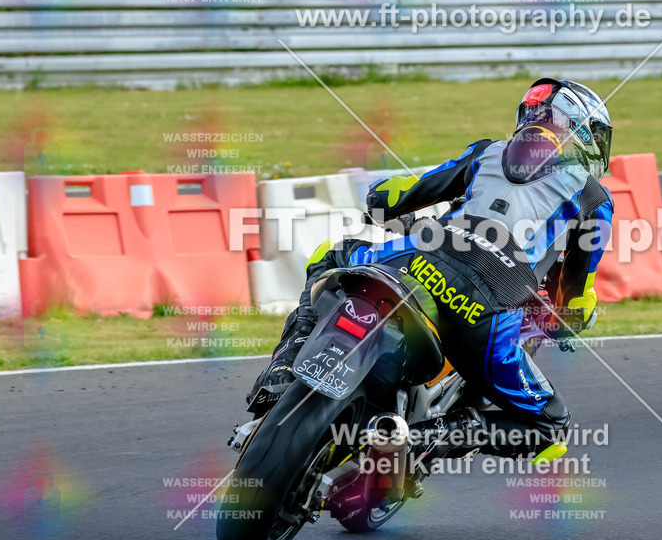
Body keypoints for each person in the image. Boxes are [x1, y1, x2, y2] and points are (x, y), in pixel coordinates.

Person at [248, 78, 615, 462]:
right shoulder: (594, 197)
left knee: (330, 255)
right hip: (488, 311)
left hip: (414, 260)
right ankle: (421, 438)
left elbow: (392, 195)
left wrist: (381, 200)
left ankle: (285, 363)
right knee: (550, 428)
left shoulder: (486, 153)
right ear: (582, 135)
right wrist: (570, 318)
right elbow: (576, 297)